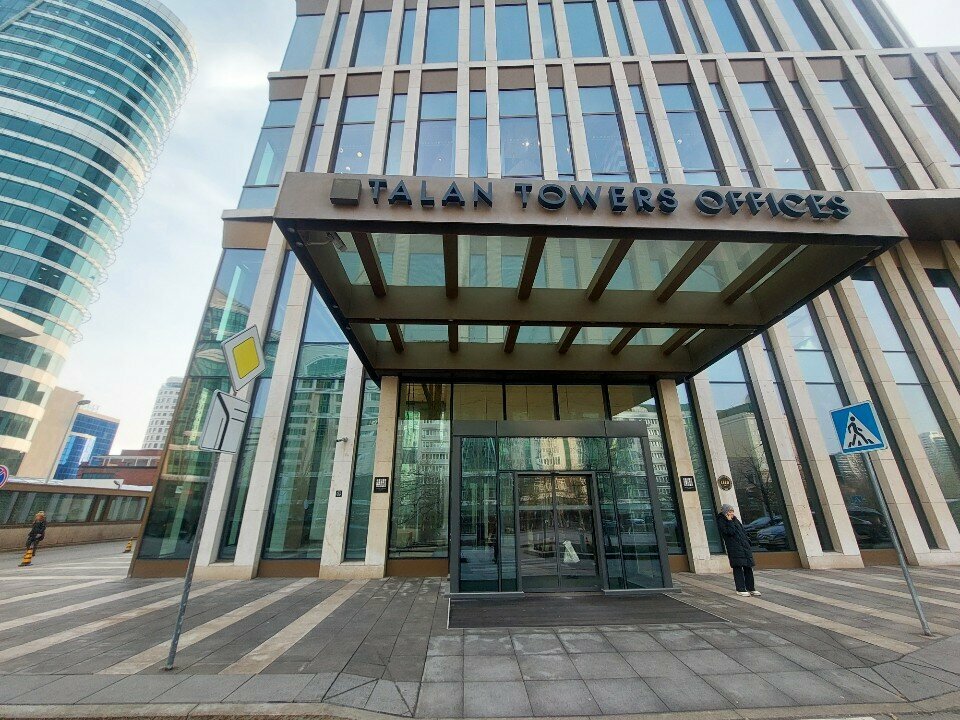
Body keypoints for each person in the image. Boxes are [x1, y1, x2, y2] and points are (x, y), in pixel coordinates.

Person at [716, 504, 760, 597]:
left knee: (748, 568)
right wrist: (729, 521)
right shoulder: (722, 521)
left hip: (744, 547)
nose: (731, 513)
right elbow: (729, 532)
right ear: (725, 513)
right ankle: (740, 589)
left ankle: (751, 588)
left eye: (732, 511)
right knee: (738, 568)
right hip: (734, 548)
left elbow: (742, 531)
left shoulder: (735, 520)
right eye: (729, 512)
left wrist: (747, 542)